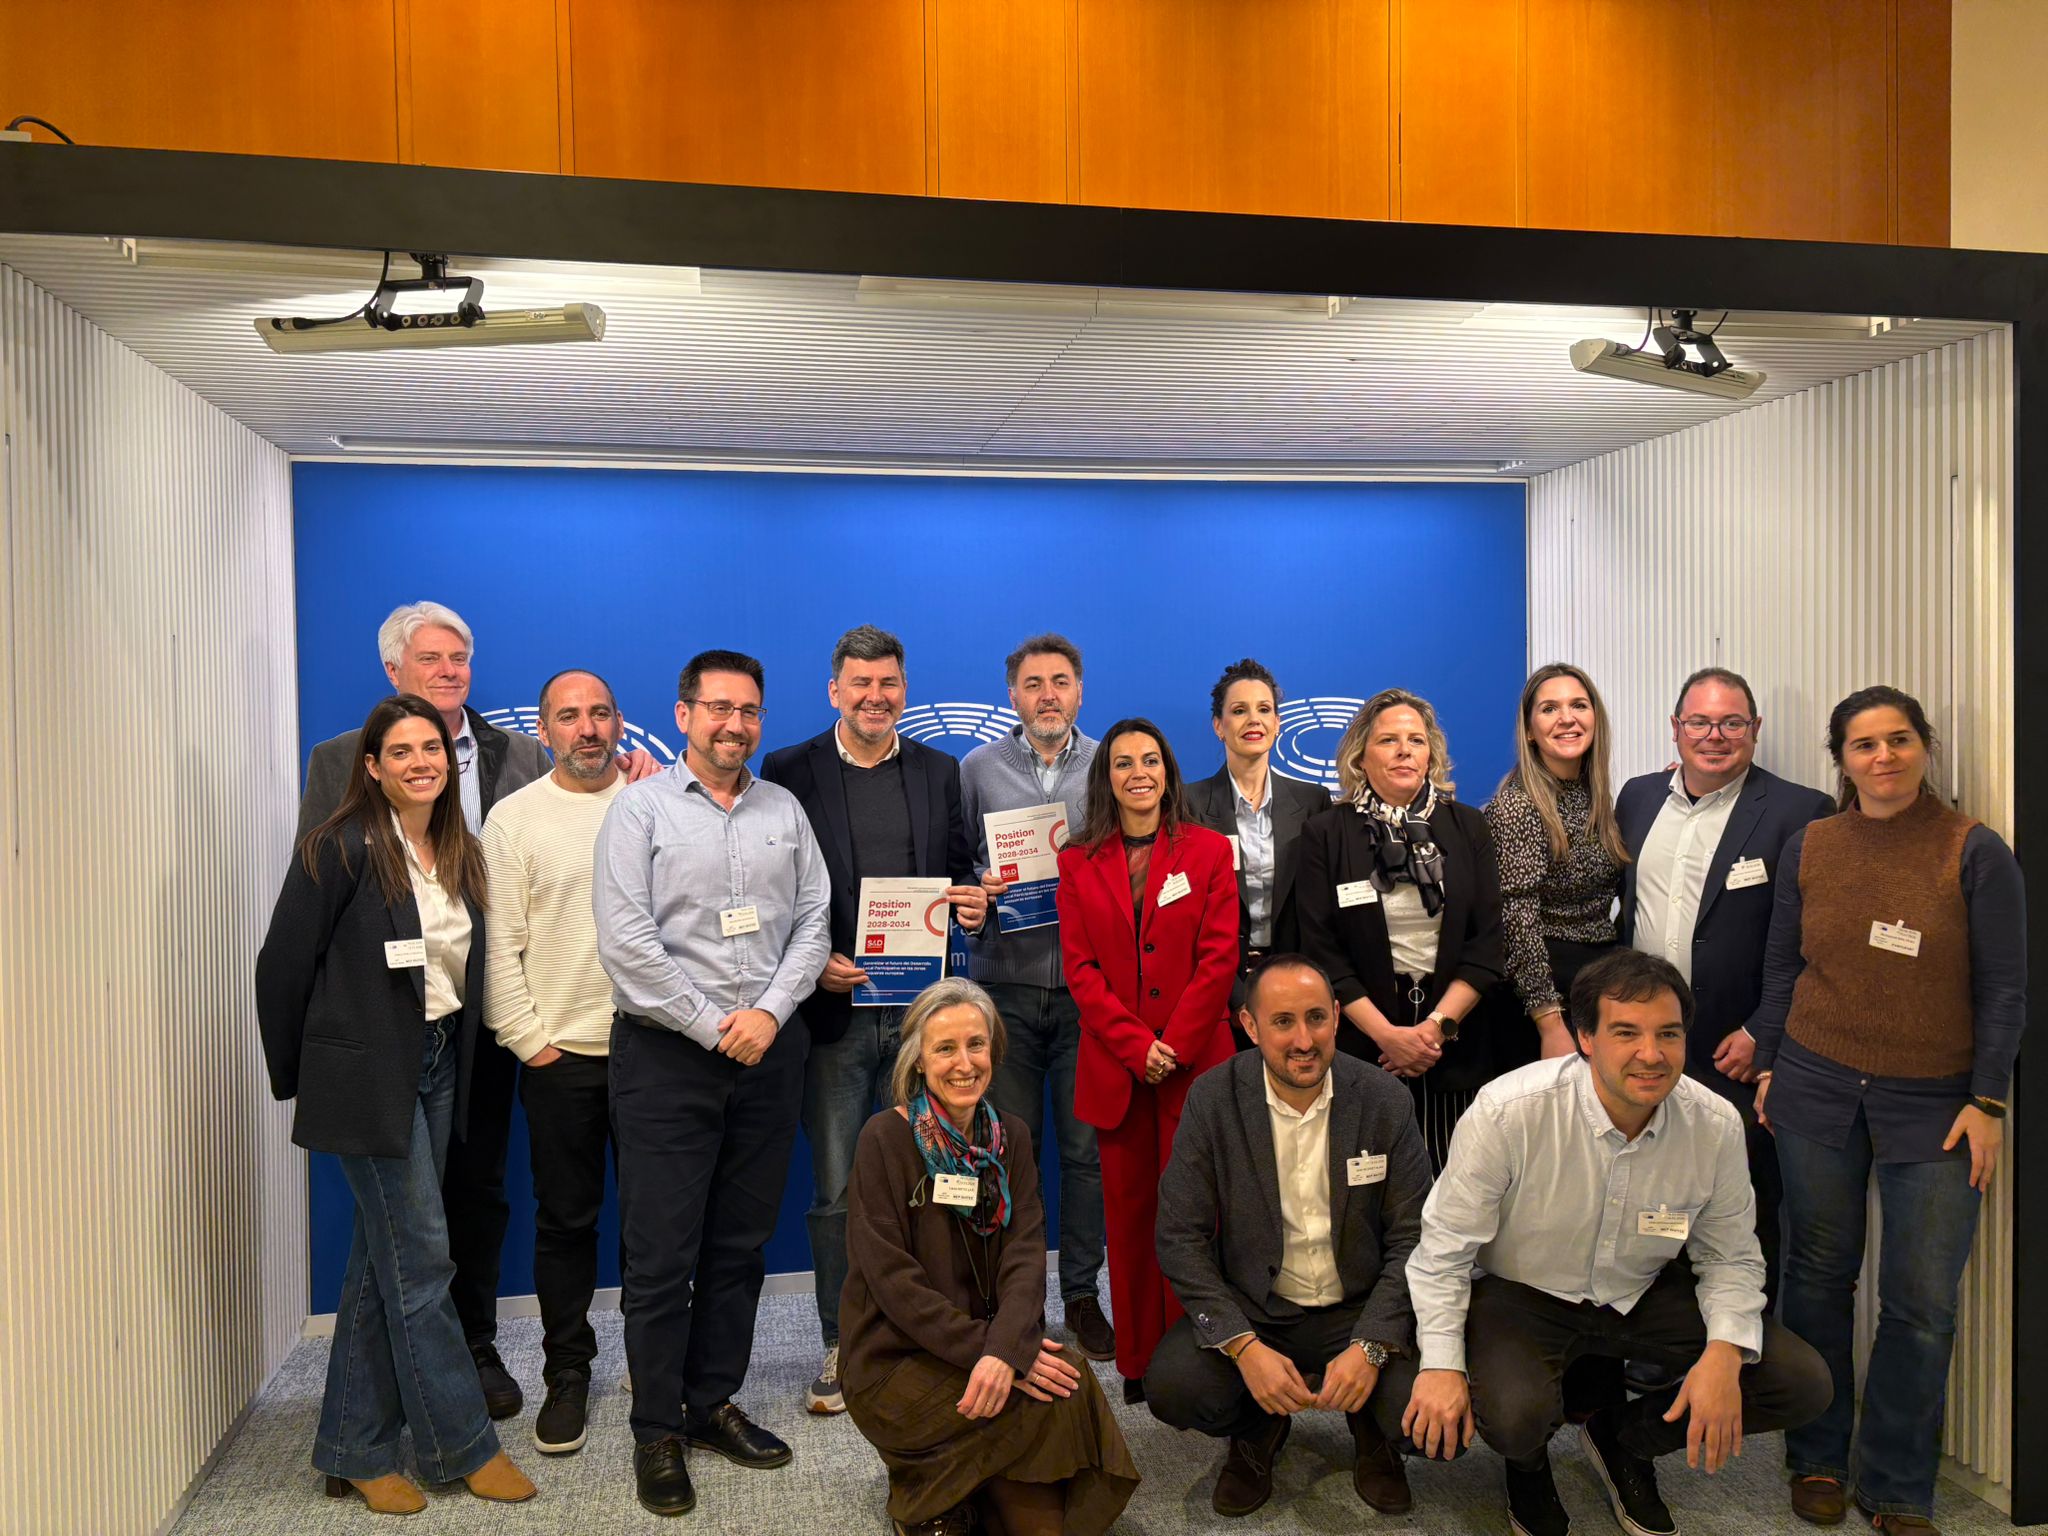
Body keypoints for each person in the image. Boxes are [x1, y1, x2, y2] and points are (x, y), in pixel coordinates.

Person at [1404, 948, 1832, 1536]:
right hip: (1522, 1292)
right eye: (1626, 1033)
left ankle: (1626, 1439)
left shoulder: (1713, 1125)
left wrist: (1725, 1351)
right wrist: (1441, 1364)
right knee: (1513, 1416)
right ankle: (1527, 1466)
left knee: (1799, 1381)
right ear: (1585, 1038)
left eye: (1668, 1034)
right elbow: (1443, 1251)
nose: (1651, 1054)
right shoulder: (1509, 1112)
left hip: (1641, 1288)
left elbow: (1730, 1255)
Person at [1750, 686, 2026, 1534]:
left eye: (1898, 740)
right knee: (1816, 1278)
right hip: (1815, 1084)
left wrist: (1988, 1100)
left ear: (1924, 746)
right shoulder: (1812, 845)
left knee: (1921, 1302)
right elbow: (1783, 967)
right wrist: (1771, 1063)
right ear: (1841, 760)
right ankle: (1817, 1459)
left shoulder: (1974, 851)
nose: (1883, 758)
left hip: (1936, 1103)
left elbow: (2005, 988)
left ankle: (1899, 1487)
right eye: (1864, 745)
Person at [256, 695, 536, 1514]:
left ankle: (353, 1448)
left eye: (432, 749)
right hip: (366, 1075)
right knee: (421, 1262)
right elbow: (280, 968)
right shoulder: (339, 847)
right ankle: (462, 1446)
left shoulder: (459, 848)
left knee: (383, 1264)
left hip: (439, 1059)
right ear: (372, 768)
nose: (421, 763)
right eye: (402, 752)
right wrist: (307, 1079)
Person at [295, 601, 549, 1417]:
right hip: (387, 1025)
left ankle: (474, 1345)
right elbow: (313, 908)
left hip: (488, 1011)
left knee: (477, 1189)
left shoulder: (523, 755)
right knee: (405, 1224)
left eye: (459, 659)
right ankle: (417, 1398)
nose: (449, 671)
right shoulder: (340, 760)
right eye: (431, 659)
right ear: (393, 671)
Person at [594, 649, 832, 1517]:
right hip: (668, 1059)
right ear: (685, 714)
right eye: (720, 708)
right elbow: (626, 941)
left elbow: (814, 921)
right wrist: (711, 1025)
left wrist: (767, 1014)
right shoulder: (639, 811)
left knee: (739, 1247)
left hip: (767, 1053)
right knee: (662, 1258)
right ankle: (656, 1428)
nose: (736, 724)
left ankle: (710, 1402)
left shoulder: (784, 810)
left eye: (750, 710)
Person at [760, 624, 991, 1415]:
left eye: (888, 683)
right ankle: (843, 1339)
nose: (874, 696)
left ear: (904, 690)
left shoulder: (937, 770)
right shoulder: (789, 770)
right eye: (860, 683)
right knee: (835, 1189)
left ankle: (934, 1332)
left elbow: (958, 874)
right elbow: (771, 885)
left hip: (923, 1016)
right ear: (835, 691)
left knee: (934, 1179)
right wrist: (811, 958)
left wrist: (971, 903)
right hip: (835, 1013)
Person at [841, 978, 1140, 1536]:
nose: (964, 1063)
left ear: (994, 1051)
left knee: (1070, 1380)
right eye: (945, 1048)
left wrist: (1006, 1349)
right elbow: (894, 1284)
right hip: (896, 1358)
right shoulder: (884, 1138)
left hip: (984, 1343)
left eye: (976, 1044)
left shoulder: (1011, 1138)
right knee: (1034, 1393)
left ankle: (968, 1484)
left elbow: (1026, 1256)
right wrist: (993, 1352)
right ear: (919, 1060)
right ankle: (922, 1496)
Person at [1146, 954, 1437, 1518]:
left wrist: (1372, 1344)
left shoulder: (1383, 1099)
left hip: (1359, 1306)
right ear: (1250, 1026)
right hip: (1259, 1311)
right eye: (1282, 1022)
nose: (1304, 1040)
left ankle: (1372, 1427)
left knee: (1429, 1421)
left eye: (1316, 1018)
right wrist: (1242, 1345)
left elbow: (1414, 1238)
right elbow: (1179, 1236)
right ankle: (1258, 1426)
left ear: (1337, 1017)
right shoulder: (1213, 1099)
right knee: (1175, 1388)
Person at [1616, 666, 1833, 1303]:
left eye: (1732, 723)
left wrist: (1764, 1032)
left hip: (1733, 1053)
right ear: (1676, 728)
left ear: (1755, 729)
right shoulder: (1637, 797)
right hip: (1643, 1048)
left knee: (1742, 1218)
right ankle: (1657, 1345)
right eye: (1700, 722)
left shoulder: (1799, 812)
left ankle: (1741, 1348)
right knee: (1644, 1207)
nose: (1715, 736)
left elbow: (1812, 945)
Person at [1056, 716, 1238, 1400]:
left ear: (1168, 771)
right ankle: (1138, 1361)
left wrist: (1175, 1045)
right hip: (1119, 1070)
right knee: (1130, 1221)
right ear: (1106, 779)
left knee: (1199, 1217)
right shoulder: (1077, 862)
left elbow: (1219, 956)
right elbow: (1081, 971)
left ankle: (1202, 1354)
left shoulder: (1209, 851)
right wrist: (1138, 1048)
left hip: (1195, 1065)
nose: (1139, 773)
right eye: (1124, 762)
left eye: (1151, 760)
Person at [481, 668, 632, 1456]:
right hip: (560, 1057)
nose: (587, 729)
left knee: (657, 1225)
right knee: (567, 1225)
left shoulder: (655, 802)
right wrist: (529, 1042)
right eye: (569, 716)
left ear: (620, 724)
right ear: (543, 732)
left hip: (654, 1054)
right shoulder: (512, 820)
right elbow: (498, 946)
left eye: (600, 714)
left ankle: (656, 1363)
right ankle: (567, 1373)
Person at [959, 634, 1114, 1363]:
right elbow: (957, 866)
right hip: (1006, 990)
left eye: (1060, 681)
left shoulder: (1111, 765)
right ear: (1012, 695)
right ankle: (1016, 1300)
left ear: (1079, 690)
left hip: (1089, 995)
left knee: (1085, 1157)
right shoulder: (976, 770)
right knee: (1010, 1154)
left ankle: (1081, 1294)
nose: (1047, 695)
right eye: (1032, 683)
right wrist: (978, 889)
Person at [1296, 689, 1505, 1169]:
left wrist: (1435, 1030)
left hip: (1454, 1043)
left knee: (1454, 1181)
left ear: (1431, 755)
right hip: (1365, 1046)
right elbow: (1322, 951)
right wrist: (1387, 1036)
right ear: (1360, 756)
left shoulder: (1469, 827)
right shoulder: (1326, 833)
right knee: (1368, 1182)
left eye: (1416, 740)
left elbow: (1486, 945)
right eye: (1388, 740)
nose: (1404, 750)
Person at [1481, 662, 1629, 1057]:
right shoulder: (1517, 806)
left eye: (1579, 705)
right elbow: (1516, 920)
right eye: (1549, 709)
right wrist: (1548, 1021)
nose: (1567, 718)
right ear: (1529, 731)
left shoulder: (1595, 796)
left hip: (1597, 981)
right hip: (1544, 994)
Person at [1183, 658, 1333, 1021]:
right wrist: (1236, 999)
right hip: (1217, 990)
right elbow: (1186, 917)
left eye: (1264, 709)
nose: (1254, 720)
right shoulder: (1187, 805)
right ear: (1218, 726)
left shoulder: (1314, 802)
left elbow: (1322, 913)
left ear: (1278, 723)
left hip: (1298, 984)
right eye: (1239, 710)